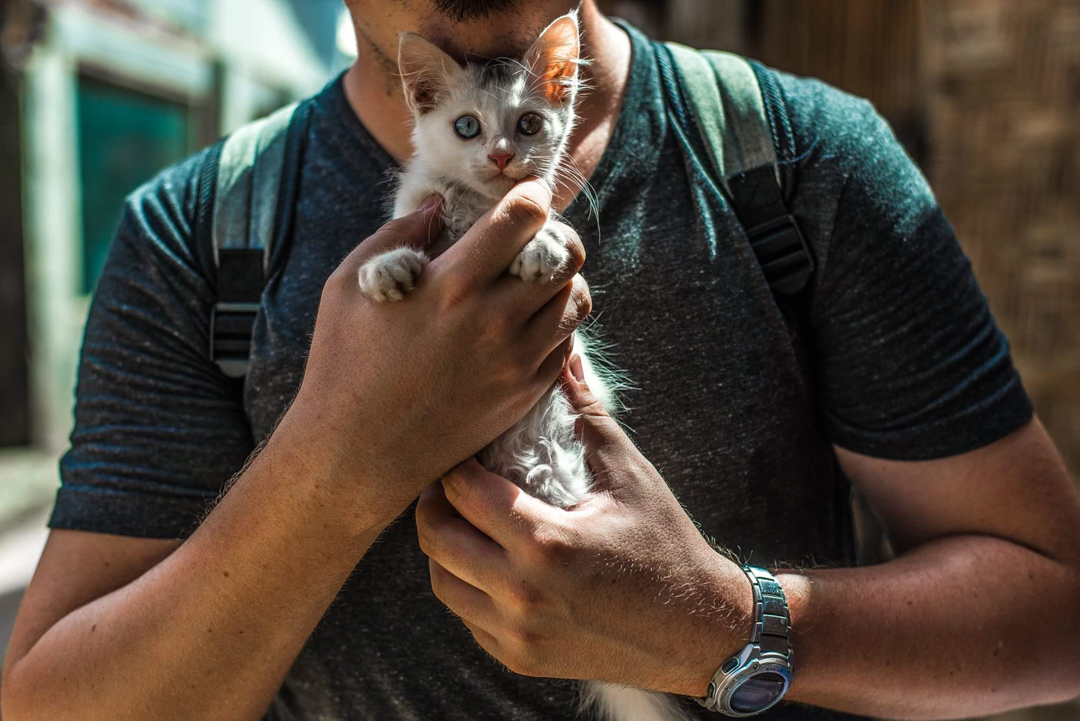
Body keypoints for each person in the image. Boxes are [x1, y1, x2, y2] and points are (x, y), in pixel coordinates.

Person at [4, 1, 1079, 719]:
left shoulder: (796, 164)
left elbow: (1056, 610)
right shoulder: (197, 231)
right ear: (435, 105)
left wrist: (725, 622)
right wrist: (341, 456)